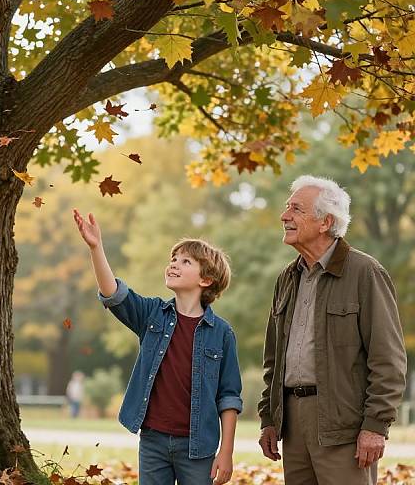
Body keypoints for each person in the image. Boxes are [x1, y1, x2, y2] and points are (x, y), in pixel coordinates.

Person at [73, 209, 242, 485]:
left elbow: (229, 397)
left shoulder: (222, 333)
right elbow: (113, 294)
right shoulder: (152, 315)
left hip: (198, 447)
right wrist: (96, 247)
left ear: (206, 280)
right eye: (173, 259)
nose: (173, 264)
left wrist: (226, 452)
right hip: (153, 440)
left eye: (185, 261)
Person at [258, 175, 407, 485]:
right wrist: (269, 418)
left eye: (296, 209)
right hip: (293, 423)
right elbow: (273, 359)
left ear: (325, 221)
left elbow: (388, 359)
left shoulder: (365, 273)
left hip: (345, 428)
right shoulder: (287, 278)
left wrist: (375, 426)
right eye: (287, 207)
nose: (284, 216)